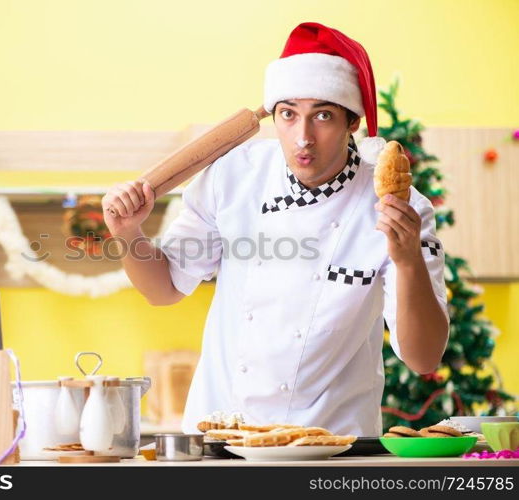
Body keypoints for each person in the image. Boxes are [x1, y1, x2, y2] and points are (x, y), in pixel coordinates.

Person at [101, 22, 449, 436]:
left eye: (322, 115)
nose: (303, 138)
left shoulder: (400, 209)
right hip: (221, 434)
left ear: (352, 122)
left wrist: (407, 260)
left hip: (329, 446)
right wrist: (127, 233)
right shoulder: (234, 176)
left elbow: (423, 358)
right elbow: (164, 290)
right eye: (288, 115)